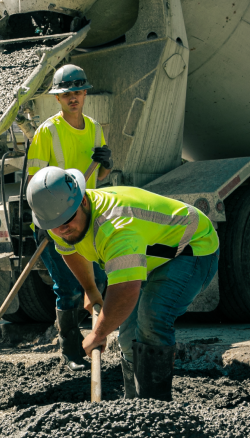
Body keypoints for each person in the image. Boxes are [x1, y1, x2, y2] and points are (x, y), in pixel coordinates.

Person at [25, 166, 220, 400]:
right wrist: (90, 290)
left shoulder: (116, 227)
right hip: (152, 253)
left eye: (67, 221)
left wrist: (98, 334)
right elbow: (70, 249)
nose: (62, 229)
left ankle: (156, 411)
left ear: (84, 202)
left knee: (152, 318)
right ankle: (132, 406)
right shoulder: (59, 218)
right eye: (55, 225)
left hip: (192, 246)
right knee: (128, 337)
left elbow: (126, 290)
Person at [21, 64, 114, 372]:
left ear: (85, 93)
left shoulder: (95, 128)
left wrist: (106, 165)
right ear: (57, 99)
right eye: (67, 94)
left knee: (98, 281)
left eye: (77, 92)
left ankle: (97, 345)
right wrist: (46, 223)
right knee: (70, 287)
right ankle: (71, 351)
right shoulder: (47, 132)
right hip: (54, 222)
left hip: (86, 220)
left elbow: (101, 176)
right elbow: (34, 184)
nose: (73, 98)